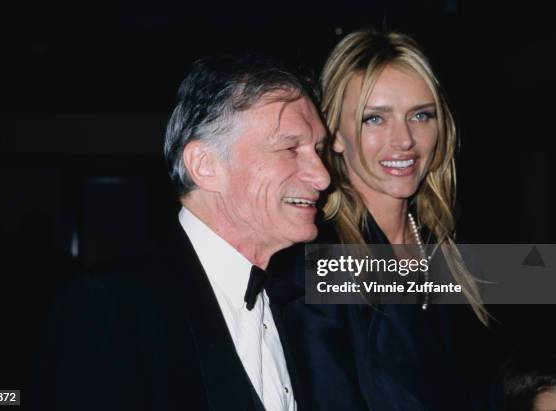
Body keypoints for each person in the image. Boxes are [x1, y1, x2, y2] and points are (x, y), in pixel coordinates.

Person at [31, 54, 330, 411]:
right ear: (206, 166)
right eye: (290, 149)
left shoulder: (306, 287)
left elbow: (408, 280)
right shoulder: (106, 307)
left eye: (319, 150)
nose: (323, 176)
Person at [271, 29, 500, 410]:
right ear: (335, 135)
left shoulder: (449, 250)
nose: (405, 140)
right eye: (374, 119)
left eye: (421, 115)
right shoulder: (319, 265)